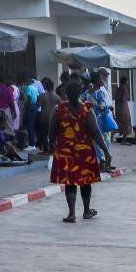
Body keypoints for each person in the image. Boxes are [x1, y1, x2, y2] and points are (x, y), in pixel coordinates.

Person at [51, 78, 111, 223]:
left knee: (69, 182)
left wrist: (51, 146)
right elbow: (96, 132)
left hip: (65, 151)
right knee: (85, 181)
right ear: (80, 92)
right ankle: (86, 211)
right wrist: (106, 151)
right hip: (85, 151)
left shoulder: (59, 109)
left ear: (66, 92)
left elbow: (52, 130)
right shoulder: (86, 109)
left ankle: (71, 214)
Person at [36, 77, 59, 153]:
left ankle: (46, 149)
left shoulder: (42, 95)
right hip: (54, 118)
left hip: (44, 117)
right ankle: (53, 148)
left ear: (46, 86)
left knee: (44, 135)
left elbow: (38, 105)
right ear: (53, 86)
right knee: (53, 134)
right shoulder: (57, 97)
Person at [113, 78, 133, 145]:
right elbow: (124, 99)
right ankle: (124, 141)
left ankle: (111, 138)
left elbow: (117, 99)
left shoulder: (117, 90)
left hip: (118, 109)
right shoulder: (124, 90)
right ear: (126, 82)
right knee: (126, 124)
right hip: (124, 109)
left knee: (117, 123)